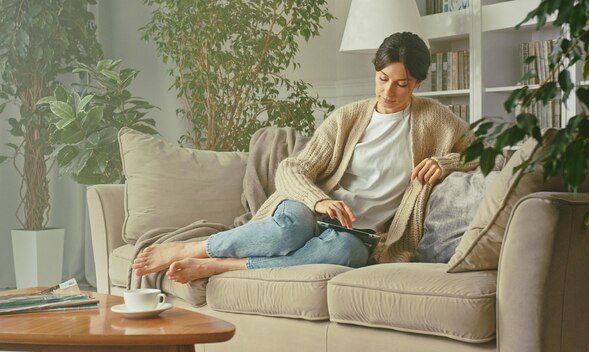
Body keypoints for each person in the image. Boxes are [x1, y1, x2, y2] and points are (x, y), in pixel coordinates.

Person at [132, 32, 477, 284]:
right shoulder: (348, 118)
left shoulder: (436, 119)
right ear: (375, 72)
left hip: (359, 234)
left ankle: (223, 265)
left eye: (402, 84)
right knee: (287, 231)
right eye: (383, 79)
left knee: (342, 256)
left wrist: (445, 163)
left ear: (416, 83)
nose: (389, 92)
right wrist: (319, 200)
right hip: (311, 209)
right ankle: (192, 248)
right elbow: (292, 168)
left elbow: (484, 154)